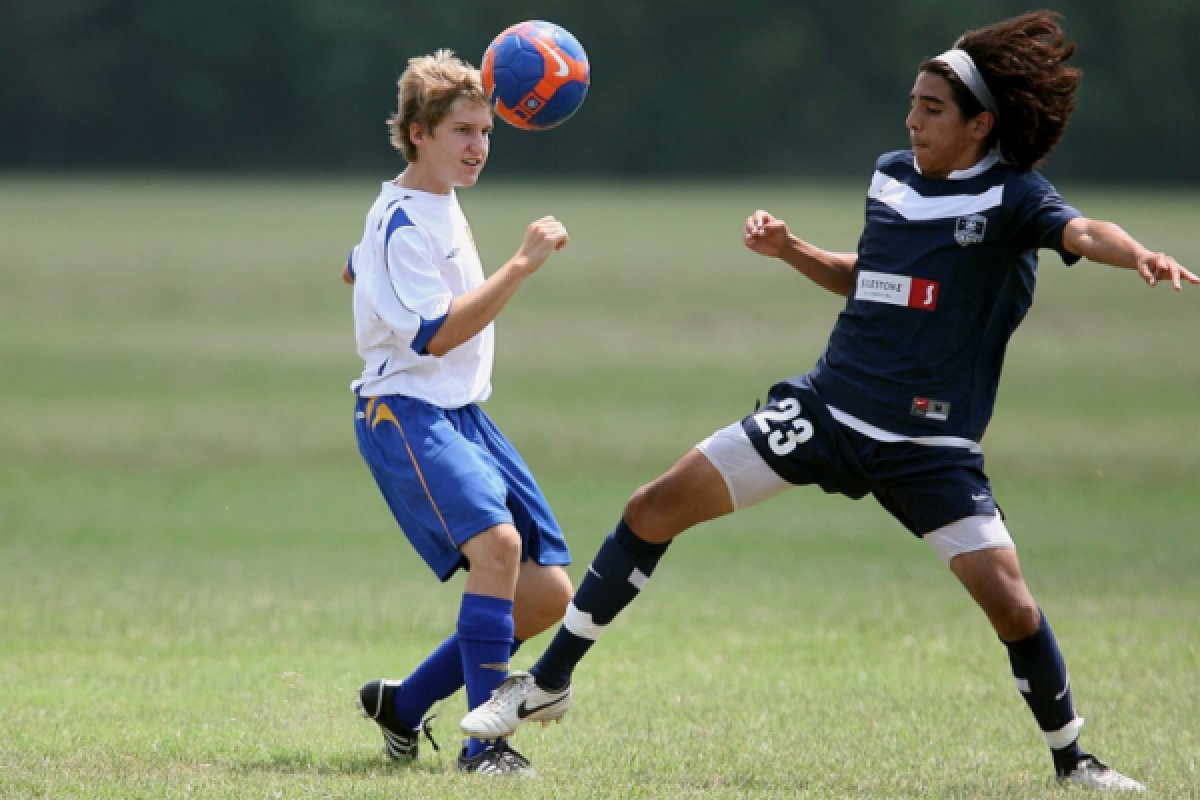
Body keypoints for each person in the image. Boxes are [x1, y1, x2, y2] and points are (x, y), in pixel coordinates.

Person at [459, 11, 1197, 792]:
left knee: (1012, 606)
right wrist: (791, 251)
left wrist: (1139, 254)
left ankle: (1072, 759)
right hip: (825, 410)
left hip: (927, 449)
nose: (912, 119)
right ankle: (546, 683)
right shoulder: (890, 176)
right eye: (912, 103)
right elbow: (871, 276)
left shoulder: (1014, 199)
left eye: (933, 110)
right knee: (652, 507)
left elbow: (1085, 231)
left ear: (981, 124)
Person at [344, 49, 574, 776]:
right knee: (499, 550)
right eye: (462, 132)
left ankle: (404, 705)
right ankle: (485, 749)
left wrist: (361, 266)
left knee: (544, 595)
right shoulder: (406, 220)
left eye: (486, 132)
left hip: (462, 412)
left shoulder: (432, 203)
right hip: (405, 411)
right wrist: (521, 265)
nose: (478, 146)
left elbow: (359, 261)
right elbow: (435, 333)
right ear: (418, 132)